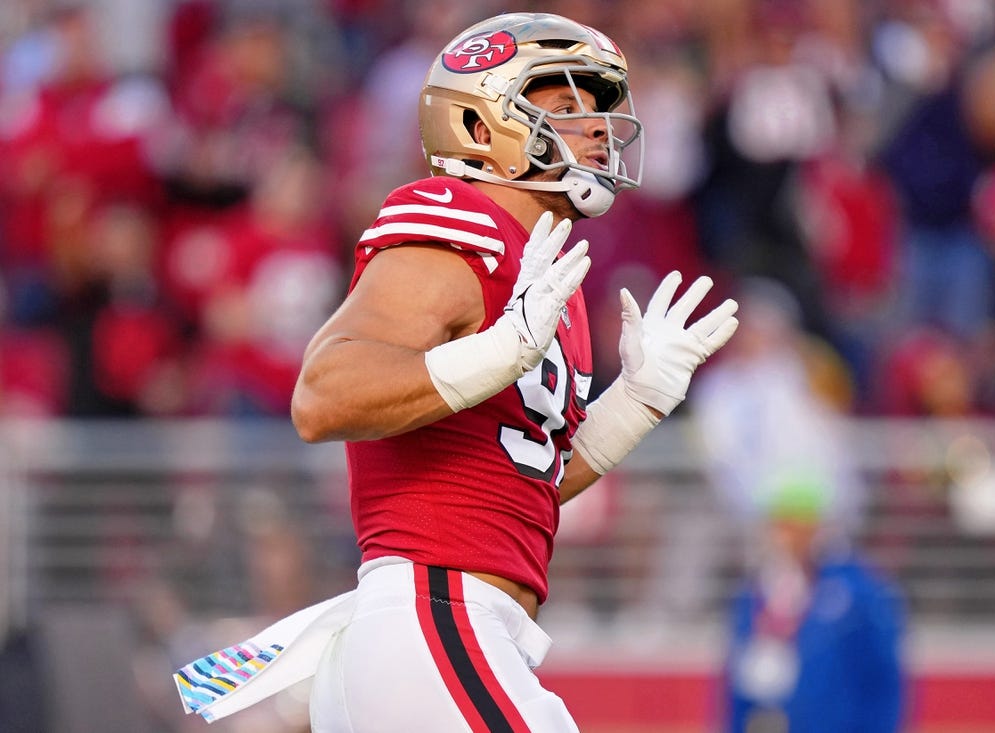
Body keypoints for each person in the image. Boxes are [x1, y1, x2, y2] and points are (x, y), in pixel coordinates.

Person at [171, 12, 740, 732]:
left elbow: (518, 485)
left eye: (599, 109)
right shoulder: (456, 220)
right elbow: (322, 395)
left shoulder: (542, 275)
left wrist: (634, 402)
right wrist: (504, 348)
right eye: (564, 107)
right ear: (478, 127)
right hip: (434, 614)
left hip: (448, 625)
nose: (596, 129)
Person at [723, 470, 907, 733]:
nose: (779, 536)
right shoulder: (758, 591)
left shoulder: (859, 593)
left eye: (789, 524)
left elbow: (883, 680)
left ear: (815, 526)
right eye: (775, 523)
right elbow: (736, 683)